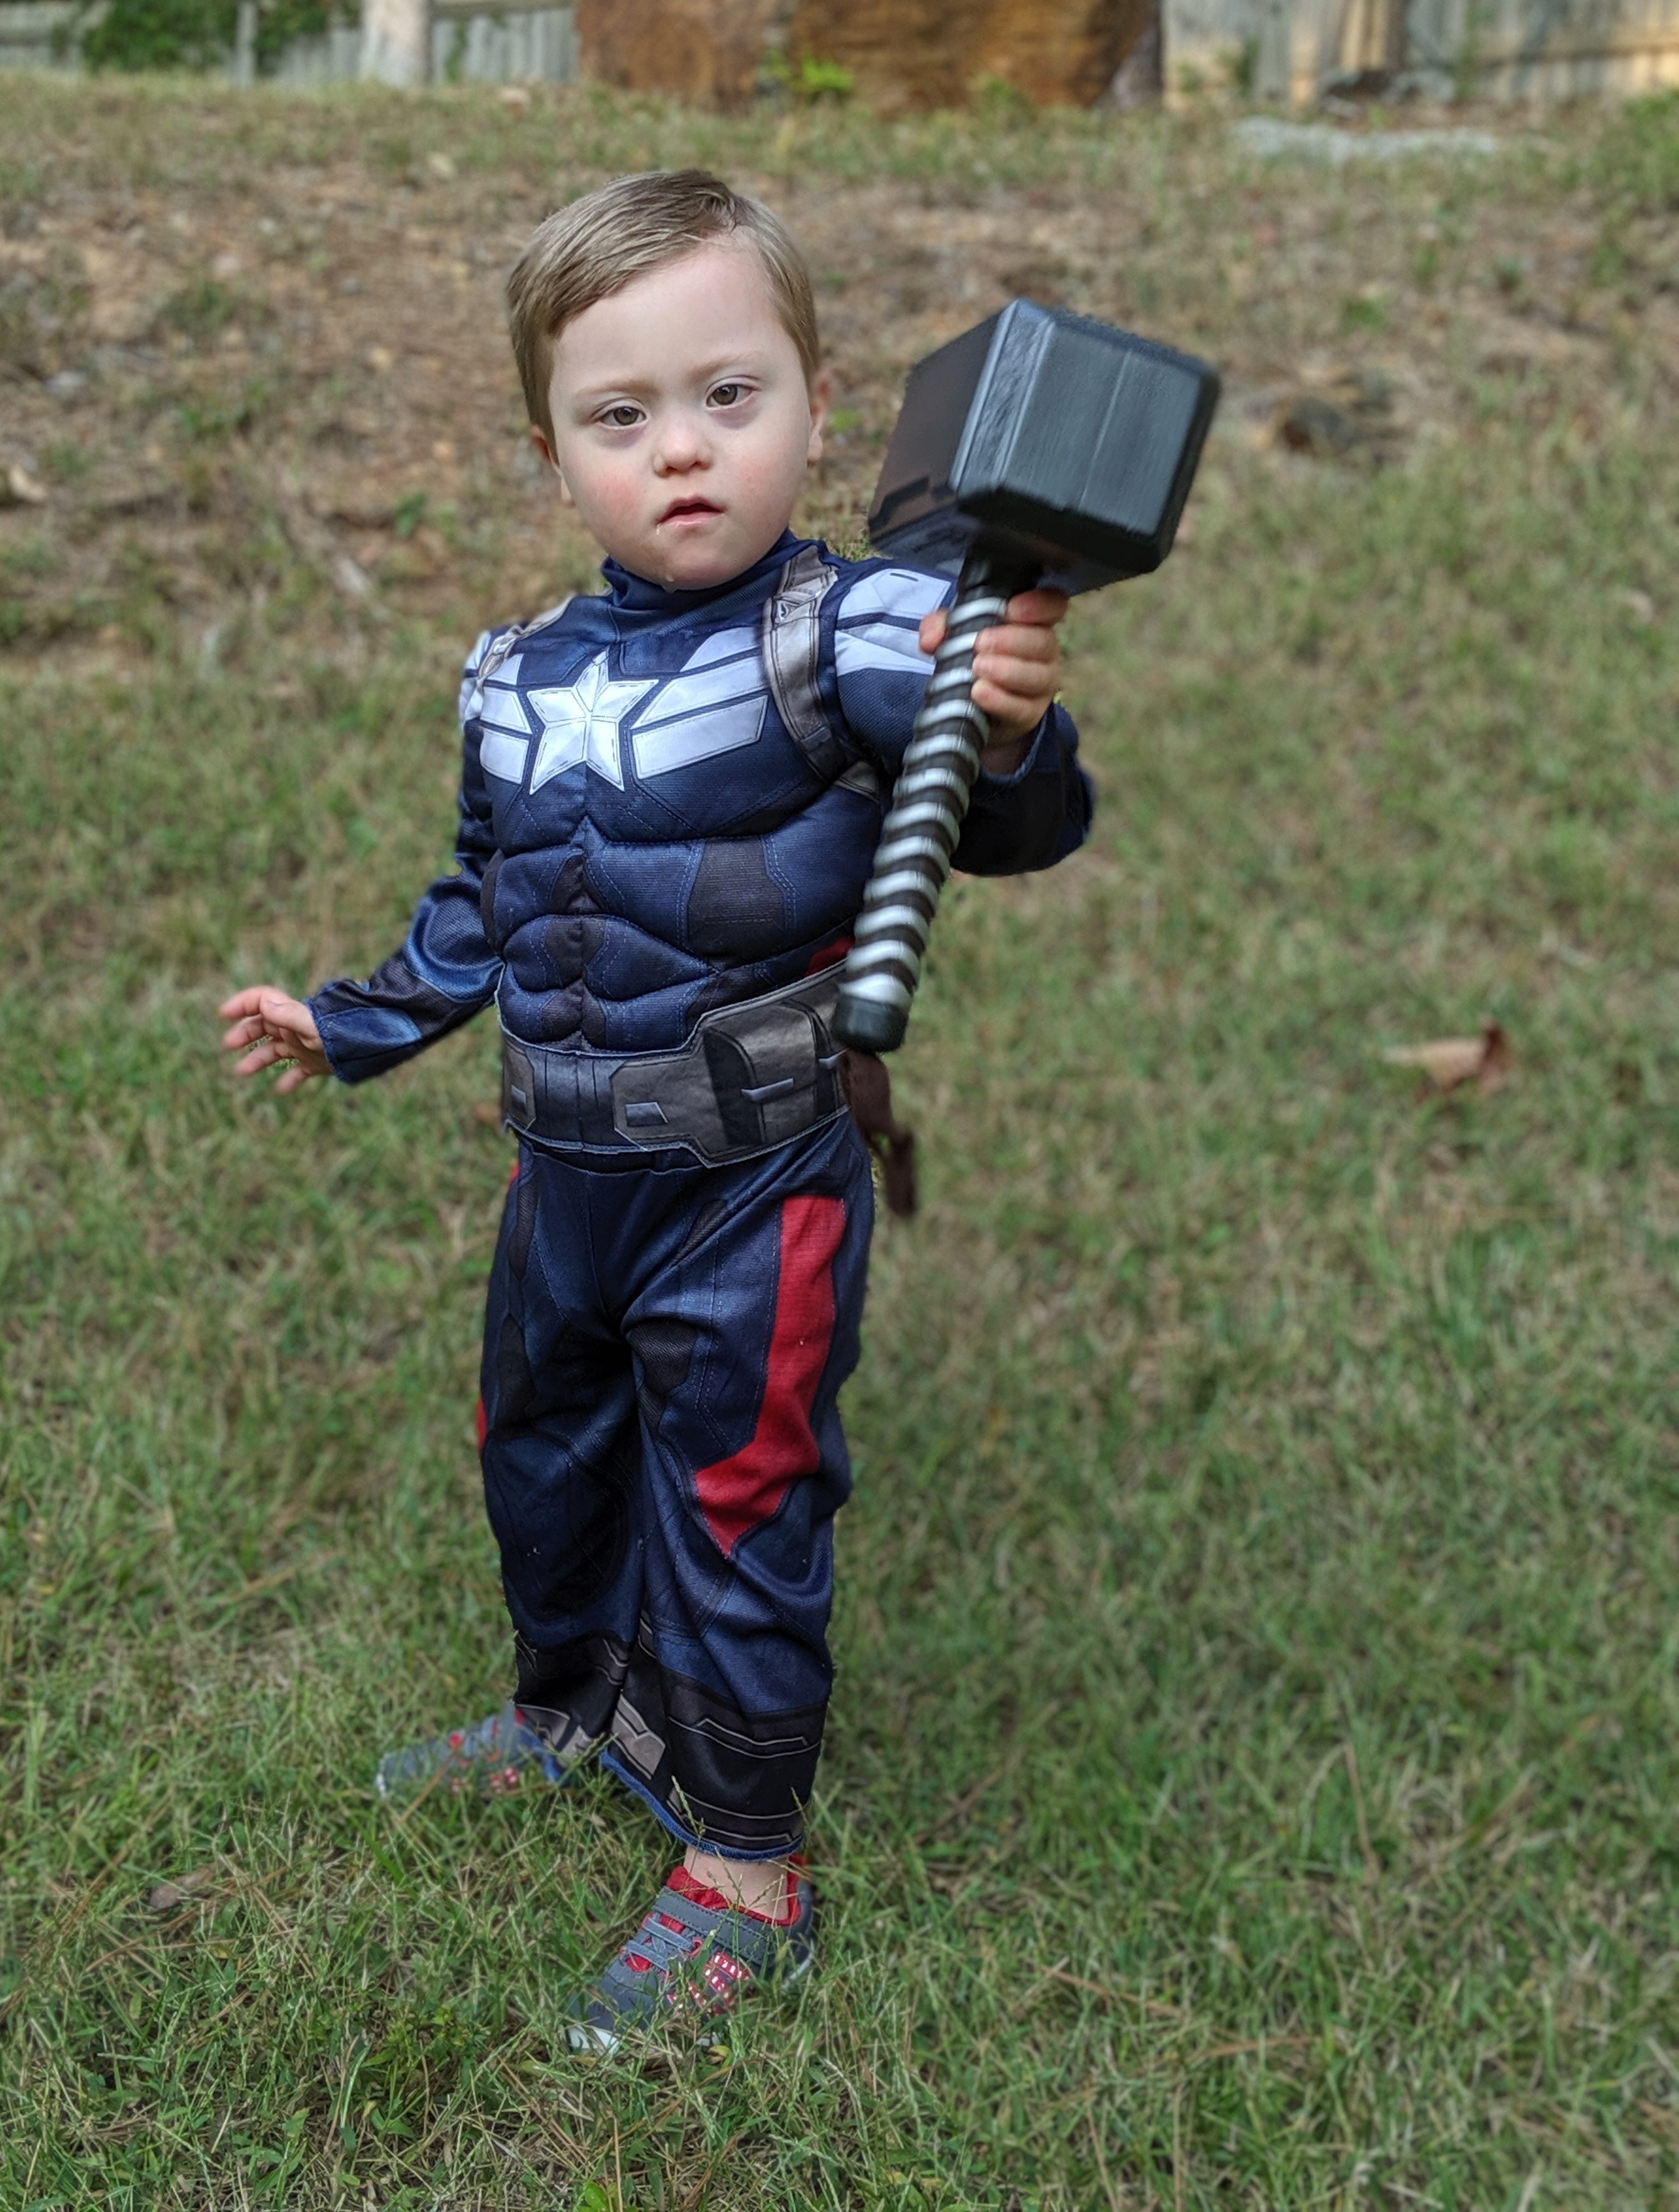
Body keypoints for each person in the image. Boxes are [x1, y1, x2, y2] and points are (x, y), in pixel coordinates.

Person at [218, 170, 1092, 2050]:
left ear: (818, 408)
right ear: (552, 455)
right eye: (621, 416)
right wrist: (353, 1023)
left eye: (729, 395)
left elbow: (996, 816)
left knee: (739, 1490)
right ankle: (565, 1710)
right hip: (563, 1171)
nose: (681, 450)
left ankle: (746, 1863)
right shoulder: (515, 675)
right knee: (539, 1451)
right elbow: (491, 902)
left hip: (748, 1180)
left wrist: (1007, 723)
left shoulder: (858, 631)